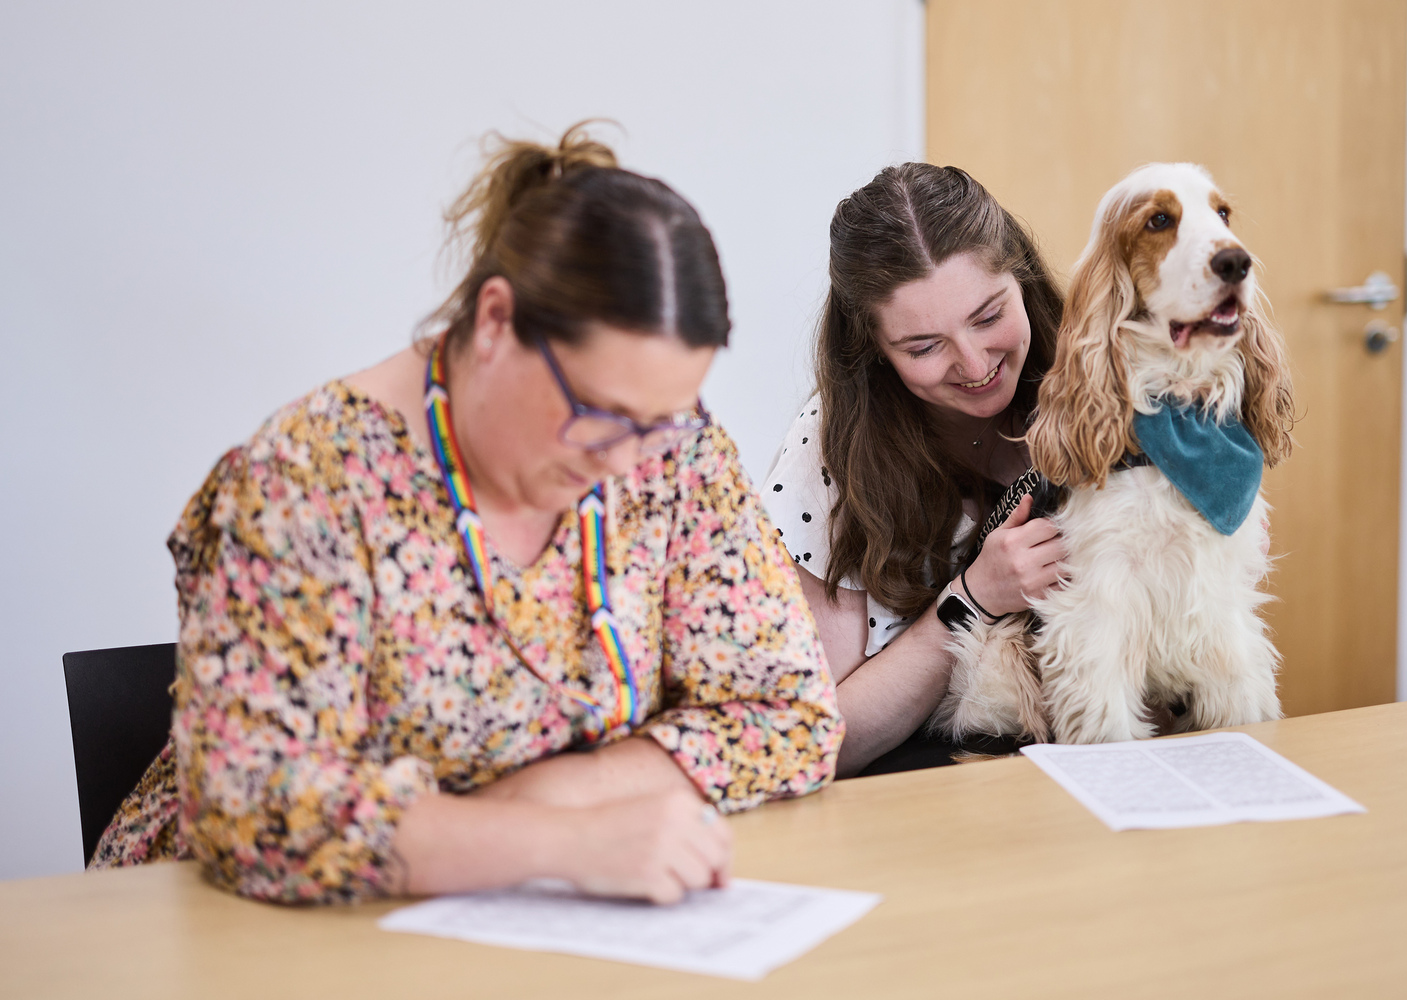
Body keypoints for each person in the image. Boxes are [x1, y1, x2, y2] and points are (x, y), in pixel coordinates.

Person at [89, 125, 843, 905]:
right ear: (493, 322)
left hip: (525, 923)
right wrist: (562, 841)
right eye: (600, 413)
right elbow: (258, 813)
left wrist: (553, 797)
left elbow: (792, 717)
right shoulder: (312, 476)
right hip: (241, 930)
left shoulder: (667, 451)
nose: (624, 462)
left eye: (660, 419)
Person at [762, 163, 1065, 777]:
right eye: (925, 347)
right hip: (912, 783)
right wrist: (976, 598)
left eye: (988, 317)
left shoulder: (1095, 384)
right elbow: (822, 739)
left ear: (1022, 278)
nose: (975, 363)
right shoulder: (832, 448)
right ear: (873, 349)